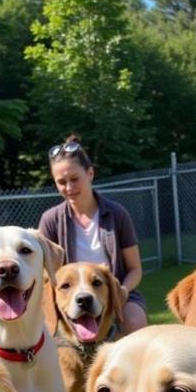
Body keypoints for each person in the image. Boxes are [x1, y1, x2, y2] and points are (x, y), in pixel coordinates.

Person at [38, 136, 147, 334]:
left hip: (115, 291)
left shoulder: (117, 214)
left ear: (90, 173)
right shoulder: (50, 220)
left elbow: (135, 269)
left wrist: (120, 292)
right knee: (43, 331)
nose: (69, 188)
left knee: (134, 322)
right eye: (61, 182)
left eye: (74, 179)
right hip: (70, 296)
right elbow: (45, 275)